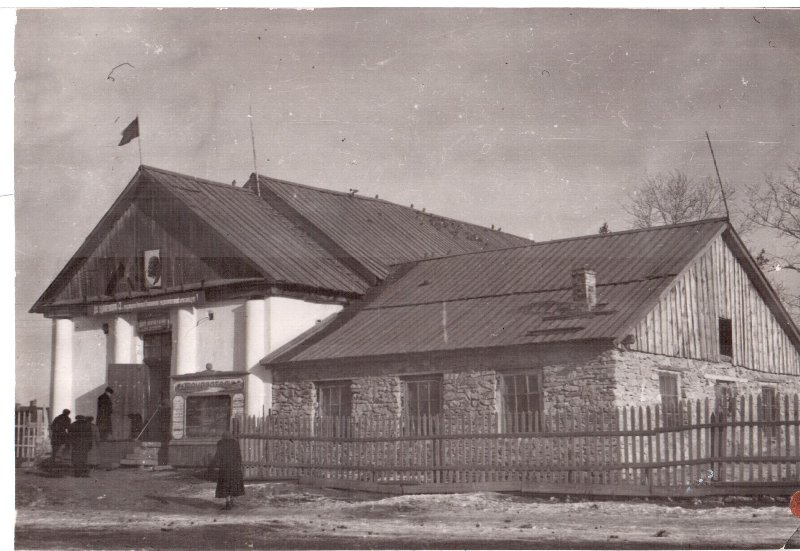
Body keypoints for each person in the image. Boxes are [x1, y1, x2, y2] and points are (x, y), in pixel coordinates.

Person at [214, 431, 245, 509]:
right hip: (235, 468)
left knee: (225, 485)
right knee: (233, 484)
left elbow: (218, 455)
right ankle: (232, 501)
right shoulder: (235, 443)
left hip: (225, 468)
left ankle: (228, 503)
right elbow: (239, 455)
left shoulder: (221, 443)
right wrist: (239, 465)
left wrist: (215, 464)